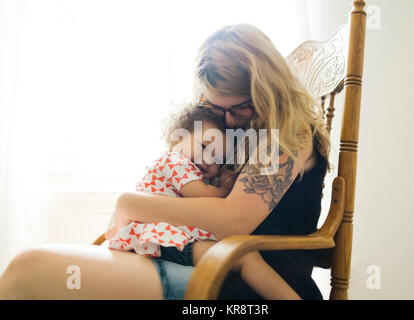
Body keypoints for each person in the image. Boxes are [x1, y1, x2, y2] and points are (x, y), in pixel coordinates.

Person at [0, 23, 331, 300]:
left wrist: (132, 204)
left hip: (252, 282)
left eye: (238, 108)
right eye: (217, 109)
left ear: (265, 90)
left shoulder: (290, 135)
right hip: (203, 258)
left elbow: (234, 221)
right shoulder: (239, 132)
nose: (228, 121)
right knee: (30, 272)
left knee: (27, 272)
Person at [107, 105, 302, 300]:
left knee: (244, 256)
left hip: (167, 237)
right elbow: (196, 193)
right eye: (205, 146)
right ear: (179, 138)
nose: (208, 159)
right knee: (243, 257)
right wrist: (228, 188)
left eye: (218, 159)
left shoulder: (191, 170)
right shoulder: (174, 162)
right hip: (163, 238)